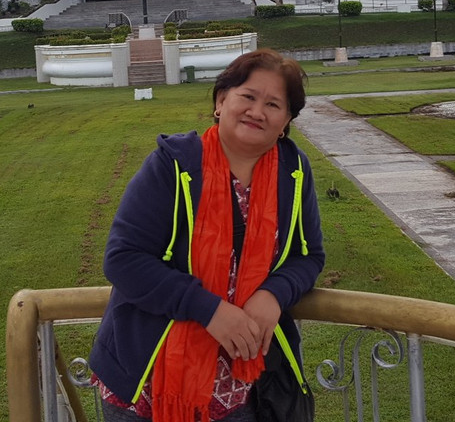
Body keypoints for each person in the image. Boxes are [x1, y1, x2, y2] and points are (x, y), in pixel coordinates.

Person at [89, 48, 325, 422]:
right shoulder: (174, 164)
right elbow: (123, 259)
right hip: (149, 386)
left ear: (285, 122)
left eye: (273, 104)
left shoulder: (292, 171)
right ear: (220, 101)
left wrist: (273, 294)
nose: (257, 111)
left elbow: (308, 255)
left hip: (241, 389)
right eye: (248, 96)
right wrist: (209, 310)